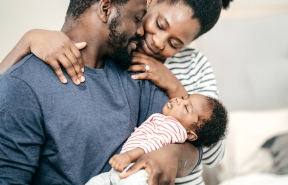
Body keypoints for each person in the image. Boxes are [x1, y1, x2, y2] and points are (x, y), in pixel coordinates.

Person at [0, 0, 233, 184]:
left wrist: (171, 152)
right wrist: (27, 40)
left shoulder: (144, 74)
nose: (149, 36)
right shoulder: (27, 81)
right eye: (146, 20)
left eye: (175, 43)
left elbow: (201, 146)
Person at [86, 94, 228, 185]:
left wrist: (128, 156)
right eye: (184, 97)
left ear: (190, 135)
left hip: (141, 173)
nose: (179, 100)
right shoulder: (164, 120)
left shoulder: (174, 128)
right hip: (124, 170)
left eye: (186, 107)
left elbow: (152, 145)